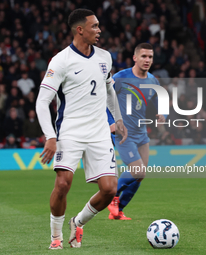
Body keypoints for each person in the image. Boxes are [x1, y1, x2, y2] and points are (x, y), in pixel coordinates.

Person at [35, 9, 127, 250]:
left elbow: (109, 91)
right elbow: (42, 101)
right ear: (80, 30)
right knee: (63, 184)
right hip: (71, 132)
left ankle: (78, 222)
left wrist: (118, 120)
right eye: (94, 26)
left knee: (109, 190)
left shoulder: (105, 57)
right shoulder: (61, 61)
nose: (99, 30)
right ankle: (56, 237)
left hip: (99, 132)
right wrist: (50, 137)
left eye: (98, 26)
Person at [107, 43, 167, 220]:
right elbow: (104, 100)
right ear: (135, 58)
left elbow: (158, 100)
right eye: (143, 56)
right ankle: (112, 195)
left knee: (140, 176)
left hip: (142, 134)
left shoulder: (152, 80)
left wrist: (161, 112)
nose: (147, 60)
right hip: (124, 134)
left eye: (150, 57)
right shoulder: (120, 77)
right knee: (138, 171)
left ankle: (119, 210)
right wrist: (110, 122)